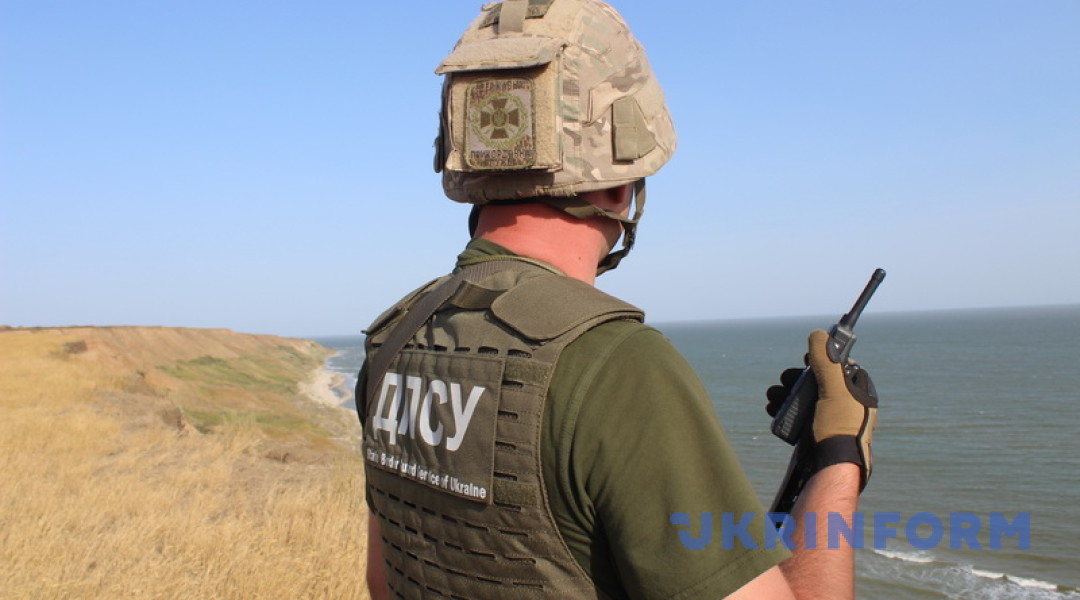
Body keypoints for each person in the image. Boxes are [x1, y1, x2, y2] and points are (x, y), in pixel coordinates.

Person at [356, 1, 879, 598]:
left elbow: (383, 581)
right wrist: (838, 455)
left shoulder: (395, 337)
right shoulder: (618, 365)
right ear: (618, 183)